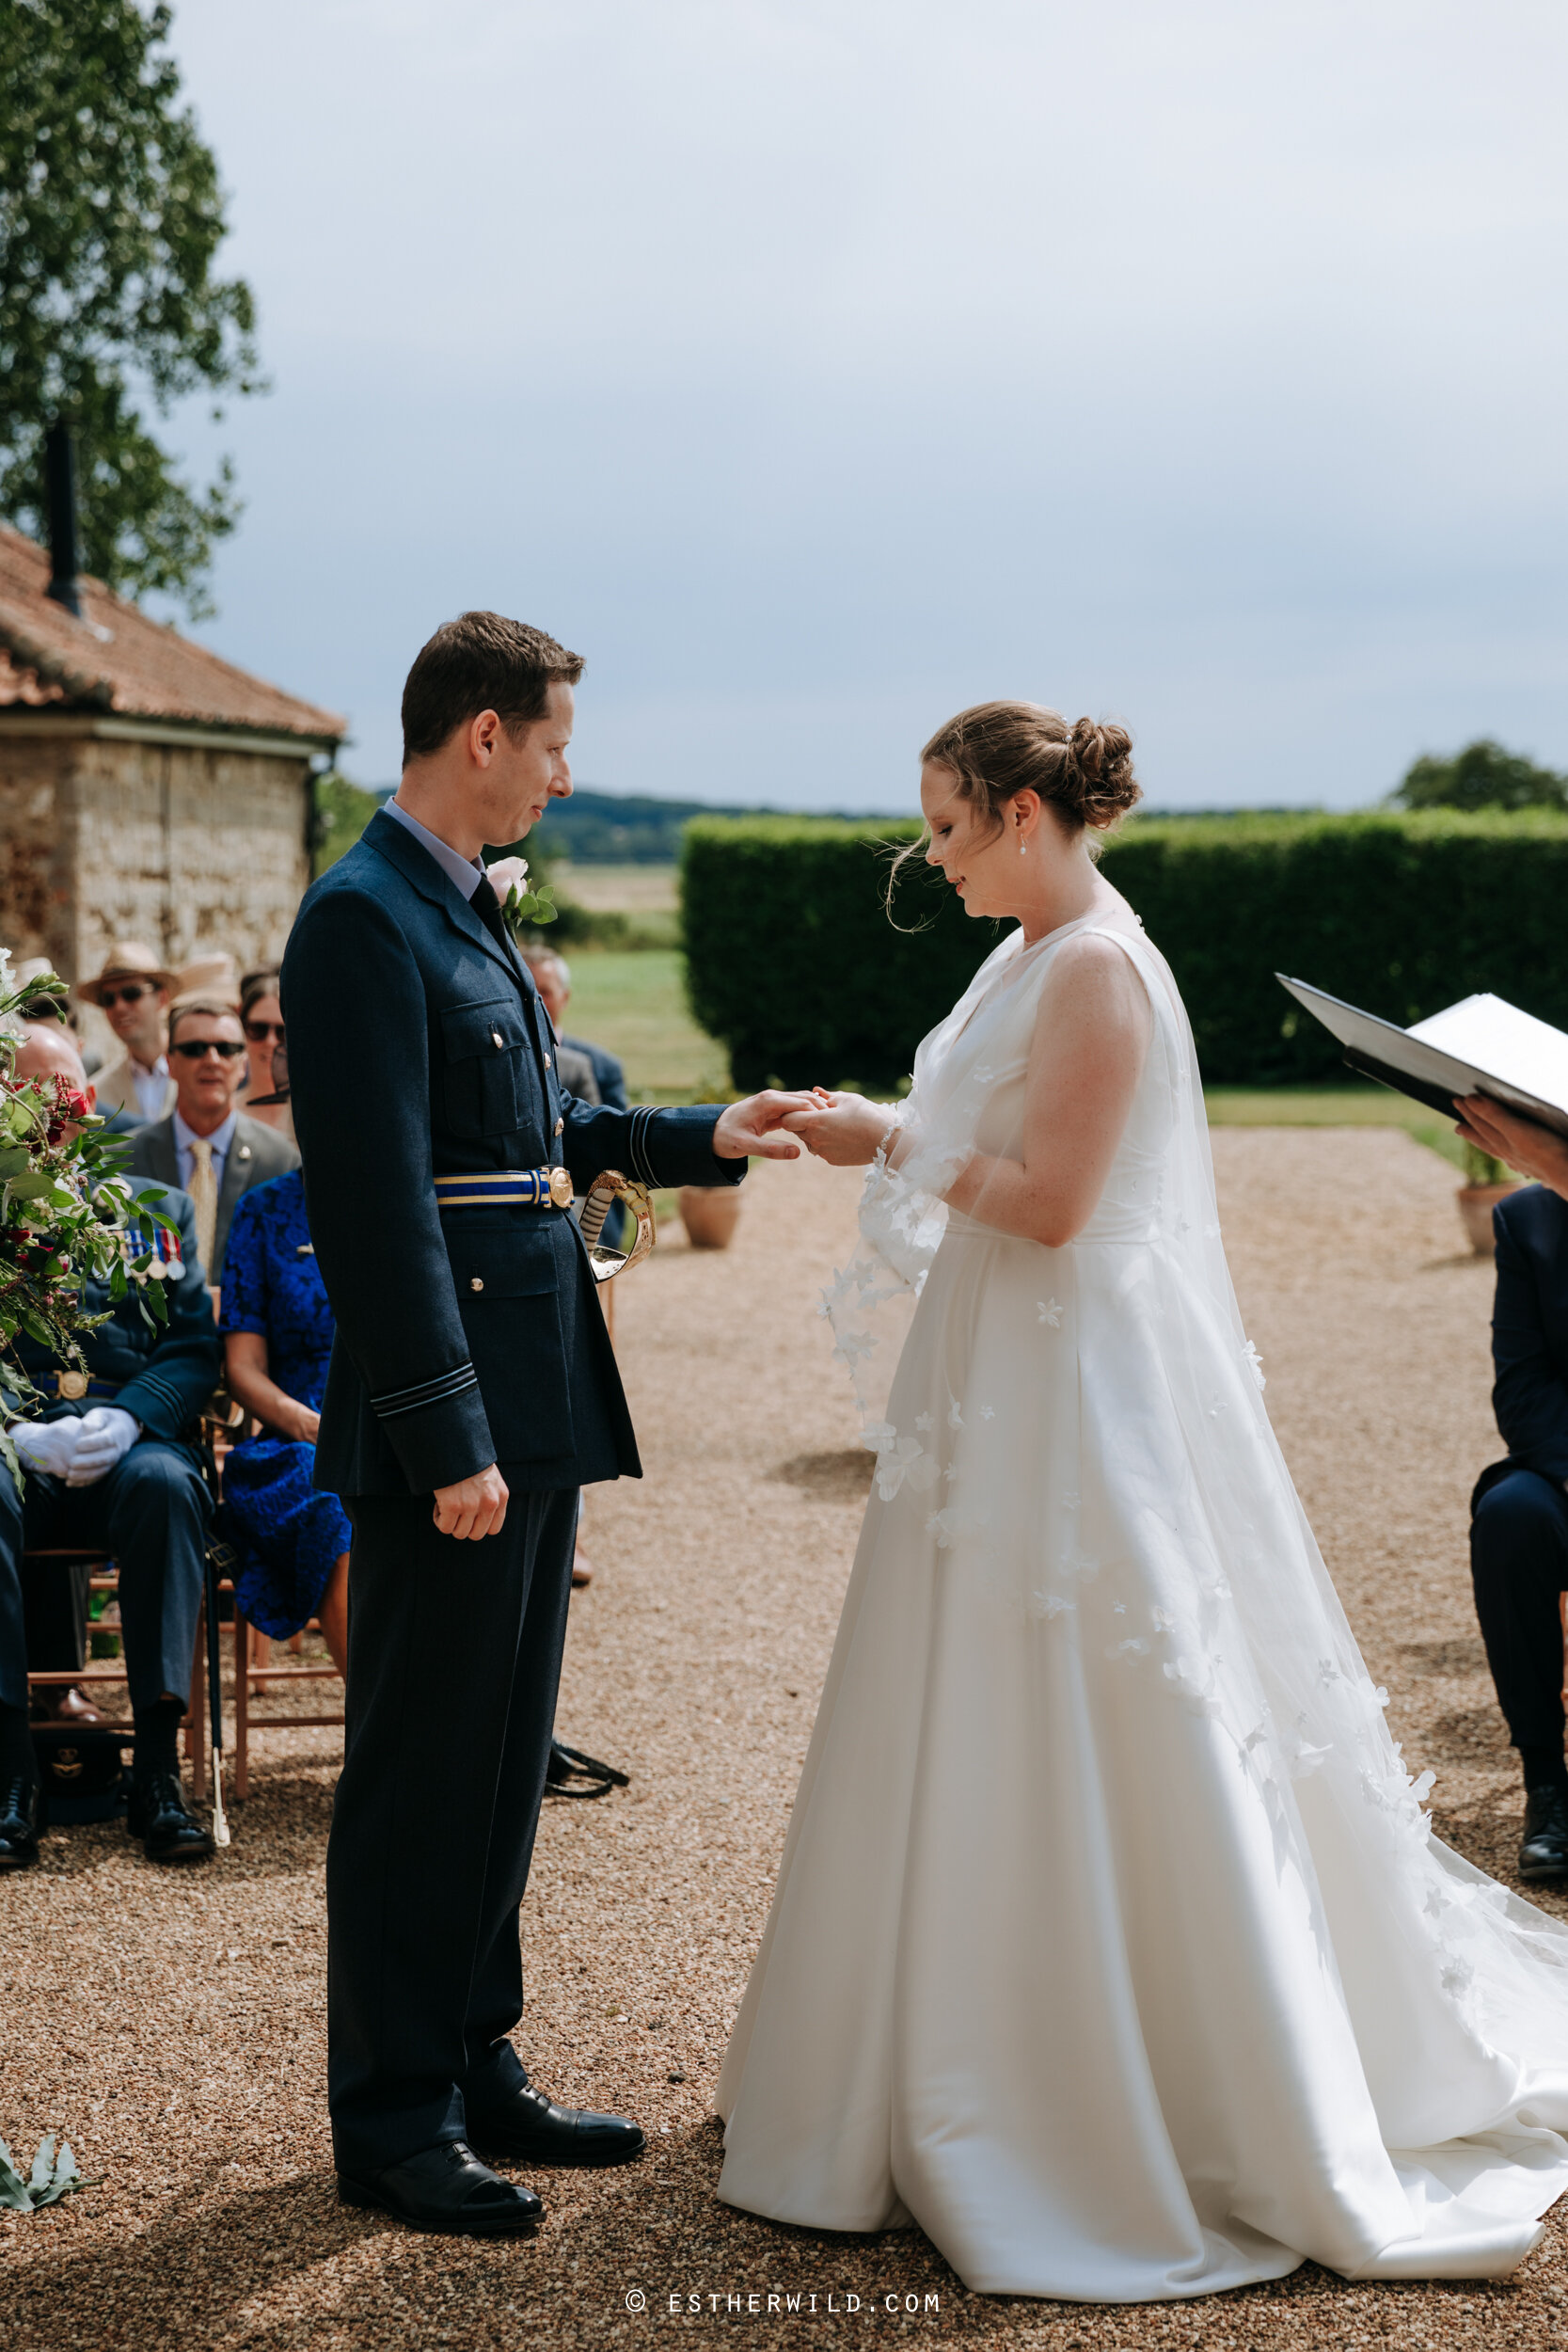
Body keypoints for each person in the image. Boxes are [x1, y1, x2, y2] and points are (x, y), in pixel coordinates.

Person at [715, 699, 1568, 2299]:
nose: (931, 856)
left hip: (1073, 1377)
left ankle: (1127, 2084)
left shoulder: (1099, 962)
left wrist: (879, 1141)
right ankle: (925, 2052)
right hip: (1001, 1372)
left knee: (1108, 1689)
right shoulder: (1033, 949)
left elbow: (1056, 1207)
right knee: (961, 1687)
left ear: (1025, 814)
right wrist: (881, 1131)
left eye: (947, 827)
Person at [281, 608, 814, 2239]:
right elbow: (376, 1211)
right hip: (461, 1423)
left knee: (503, 1762)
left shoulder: (462, 912)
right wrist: (445, 1438)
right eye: (557, 743)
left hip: (538, 1397)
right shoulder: (361, 919)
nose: (568, 778)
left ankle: (473, 2056)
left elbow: (538, 1132)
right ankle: (389, 2114)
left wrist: (692, 1133)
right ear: (483, 734)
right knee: (417, 1770)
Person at [0, 1025, 221, 1869]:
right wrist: (18, 1431)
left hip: (128, 1441)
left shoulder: (152, 1210)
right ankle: (11, 1771)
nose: (47, 1111)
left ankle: (160, 1771)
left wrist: (131, 1417)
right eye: (24, 1095)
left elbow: (194, 1347)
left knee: (169, 1485)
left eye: (61, 1092)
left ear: (86, 1101)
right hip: (21, 1448)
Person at [219, 1170, 350, 1675]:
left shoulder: (414, 1189)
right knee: (338, 1504)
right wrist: (313, 1426)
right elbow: (242, 1368)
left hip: (404, 1422)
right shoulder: (264, 1208)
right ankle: (381, 1735)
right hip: (297, 1437)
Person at [129, 998, 298, 1287]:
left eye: (226, 1049)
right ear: (170, 1063)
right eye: (194, 1049)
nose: (212, 1059)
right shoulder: (124, 1161)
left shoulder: (282, 1162)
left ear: (242, 1065)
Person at [75, 942, 177, 1122]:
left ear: (162, 998)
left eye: (131, 993)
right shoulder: (98, 1090)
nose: (119, 1006)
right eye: (108, 999)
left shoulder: (200, 1067)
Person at [520, 946, 627, 1109]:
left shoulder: (604, 1068)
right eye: (527, 991)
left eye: (544, 992)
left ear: (564, 998)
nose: (535, 1001)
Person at [236, 966, 296, 1145]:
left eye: (282, 1032)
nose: (270, 1042)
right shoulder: (221, 1113)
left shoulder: (314, 1114)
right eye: (258, 1029)